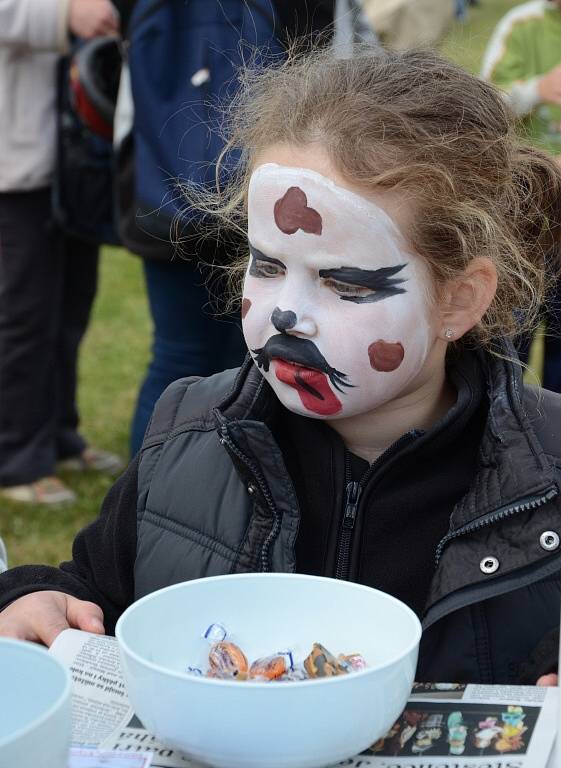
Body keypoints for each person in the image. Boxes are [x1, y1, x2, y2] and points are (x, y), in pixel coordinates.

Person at [0, 47, 560, 686]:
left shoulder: (548, 471)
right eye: (267, 265)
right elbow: (93, 594)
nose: (288, 315)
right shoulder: (190, 439)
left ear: (458, 299)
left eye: (344, 282)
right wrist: (34, 595)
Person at [118, 0, 334, 456]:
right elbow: (317, 63)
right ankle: (222, 479)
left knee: (178, 355)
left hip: (163, 189)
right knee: (252, 359)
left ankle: (156, 484)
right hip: (258, 199)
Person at [0, 0, 123, 505]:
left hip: (72, 149)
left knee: (71, 304)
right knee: (23, 314)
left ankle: (60, 435)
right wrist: (62, 14)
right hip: (13, 161)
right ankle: (15, 460)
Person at [481, 0, 561, 392]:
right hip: (528, 213)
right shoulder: (523, 25)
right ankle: (503, 418)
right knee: (512, 333)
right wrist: (537, 89)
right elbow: (487, 105)